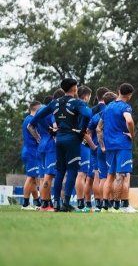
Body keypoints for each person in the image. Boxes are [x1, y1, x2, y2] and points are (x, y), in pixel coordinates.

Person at [29, 78, 93, 212]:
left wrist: (41, 128)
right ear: (75, 88)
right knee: (72, 171)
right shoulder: (76, 102)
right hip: (72, 139)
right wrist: (82, 129)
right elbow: (88, 113)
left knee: (60, 171)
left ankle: (56, 203)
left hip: (59, 139)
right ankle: (66, 203)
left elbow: (38, 116)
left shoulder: (54, 103)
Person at [97, 83, 137, 213]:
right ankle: (116, 205)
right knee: (120, 176)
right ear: (130, 95)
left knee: (110, 176)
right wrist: (132, 133)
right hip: (122, 145)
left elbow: (99, 128)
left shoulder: (107, 107)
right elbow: (129, 121)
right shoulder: (125, 107)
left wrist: (103, 145)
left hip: (110, 146)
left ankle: (104, 206)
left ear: (118, 91)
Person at [87, 91, 117, 212]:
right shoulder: (113, 113)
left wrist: (94, 145)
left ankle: (99, 203)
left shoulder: (96, 116)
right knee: (113, 176)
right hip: (110, 148)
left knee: (99, 177)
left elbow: (87, 132)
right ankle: (110, 202)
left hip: (98, 148)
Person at [35, 90, 64, 211]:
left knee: (42, 177)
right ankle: (45, 205)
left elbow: (31, 126)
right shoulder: (53, 110)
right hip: (51, 146)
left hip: (41, 145)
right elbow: (55, 127)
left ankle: (45, 203)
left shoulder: (40, 110)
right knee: (49, 176)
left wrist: (38, 138)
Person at [75, 86, 98, 212]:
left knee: (76, 173)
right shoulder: (85, 110)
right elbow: (85, 131)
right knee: (82, 174)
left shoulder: (72, 107)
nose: (89, 98)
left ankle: (77, 203)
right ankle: (80, 205)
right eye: (89, 96)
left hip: (70, 143)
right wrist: (93, 146)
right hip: (82, 144)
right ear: (86, 96)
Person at [21, 101, 42, 210]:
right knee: (30, 178)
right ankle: (25, 204)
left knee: (33, 178)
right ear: (37, 109)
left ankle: (37, 203)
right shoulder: (30, 120)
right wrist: (39, 139)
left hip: (28, 151)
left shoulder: (27, 119)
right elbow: (33, 131)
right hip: (31, 151)